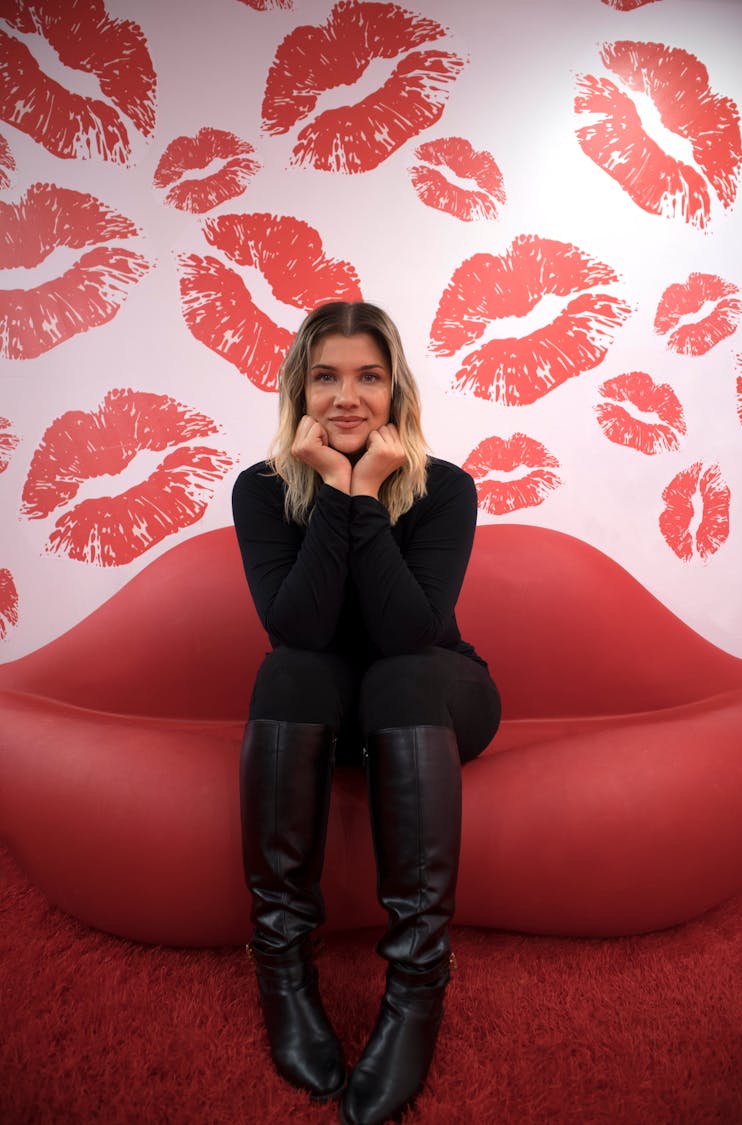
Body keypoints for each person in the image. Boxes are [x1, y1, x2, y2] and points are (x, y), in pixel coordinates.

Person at [231, 300, 501, 1125]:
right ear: (299, 392)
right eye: (327, 376)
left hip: (433, 693)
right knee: (288, 671)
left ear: (396, 391)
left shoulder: (446, 489)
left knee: (399, 674)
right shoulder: (262, 490)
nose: (348, 396)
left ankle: (418, 984)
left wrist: (369, 492)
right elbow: (299, 625)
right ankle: (282, 969)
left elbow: (409, 632)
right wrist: (336, 490)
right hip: (328, 710)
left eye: (369, 377)